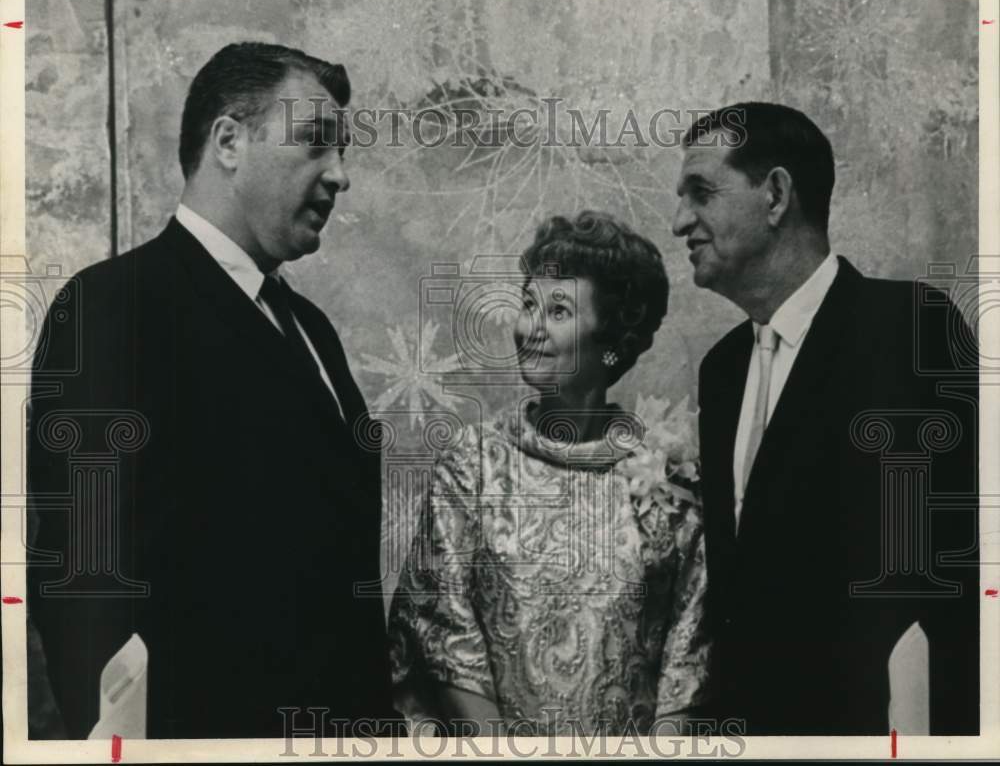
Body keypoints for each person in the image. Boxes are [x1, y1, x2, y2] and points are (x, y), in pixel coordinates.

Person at [27, 42, 395, 738]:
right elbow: (83, 585)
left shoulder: (312, 329)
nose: (340, 175)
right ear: (228, 140)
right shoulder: (113, 306)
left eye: (342, 151)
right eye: (315, 144)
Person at [673, 101, 979, 735]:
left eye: (701, 192)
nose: (681, 222)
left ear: (777, 194)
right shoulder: (722, 371)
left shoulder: (907, 329)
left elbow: (949, 580)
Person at [388, 211, 710, 735]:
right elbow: (443, 641)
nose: (528, 328)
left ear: (610, 336)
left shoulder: (670, 482)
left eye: (557, 310)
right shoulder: (473, 466)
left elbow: (687, 665)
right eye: (528, 304)